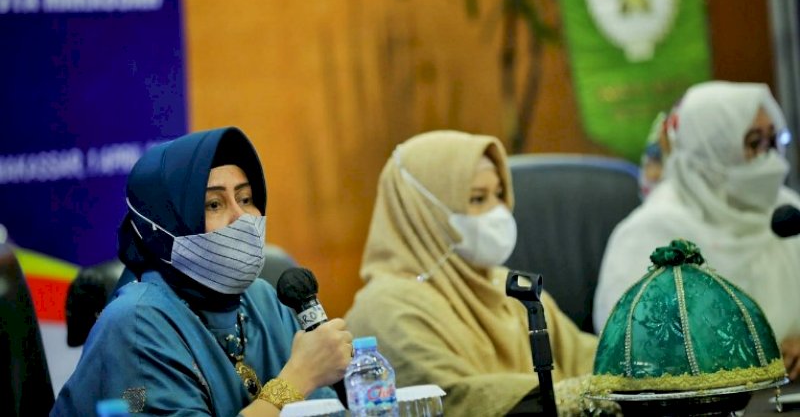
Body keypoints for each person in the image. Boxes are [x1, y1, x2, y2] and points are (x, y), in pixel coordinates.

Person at [52, 127, 353, 416]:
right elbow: (300, 384)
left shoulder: (264, 299)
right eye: (213, 204)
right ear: (165, 226)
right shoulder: (135, 324)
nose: (241, 218)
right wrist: (296, 380)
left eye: (246, 199)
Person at [344, 130, 598, 416]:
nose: (499, 211)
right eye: (478, 199)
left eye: (500, 194)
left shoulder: (507, 284)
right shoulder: (387, 308)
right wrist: (576, 397)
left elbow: (586, 356)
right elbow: (457, 398)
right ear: (425, 211)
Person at [593, 81, 800, 380]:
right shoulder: (652, 232)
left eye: (773, 141)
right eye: (754, 143)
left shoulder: (789, 213)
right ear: (712, 150)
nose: (769, 159)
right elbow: (633, 349)